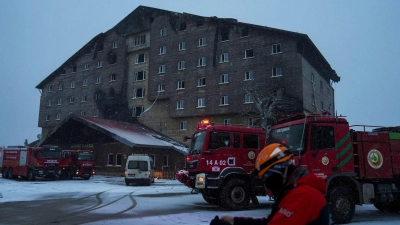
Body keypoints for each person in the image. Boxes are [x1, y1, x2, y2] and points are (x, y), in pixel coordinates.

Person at [210, 143, 331, 225]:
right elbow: (272, 221)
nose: (266, 183)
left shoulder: (303, 196)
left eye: (266, 177)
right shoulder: (292, 192)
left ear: (279, 170)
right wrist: (235, 221)